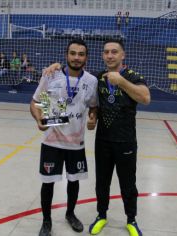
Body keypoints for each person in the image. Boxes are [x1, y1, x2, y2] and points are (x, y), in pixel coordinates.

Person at [44, 39, 150, 236]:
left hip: (126, 140)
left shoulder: (133, 76)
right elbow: (93, 104)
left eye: (114, 52)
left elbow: (145, 98)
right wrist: (93, 117)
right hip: (103, 141)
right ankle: (101, 215)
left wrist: (122, 82)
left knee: (128, 183)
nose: (110, 55)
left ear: (122, 55)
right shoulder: (98, 78)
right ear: (102, 55)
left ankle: (131, 220)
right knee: (102, 182)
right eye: (106, 52)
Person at [30, 39, 98, 236]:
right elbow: (35, 103)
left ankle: (70, 214)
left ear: (86, 57)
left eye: (81, 54)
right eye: (73, 53)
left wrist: (93, 117)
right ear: (66, 55)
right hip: (52, 140)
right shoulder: (51, 76)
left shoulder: (91, 81)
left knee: (74, 181)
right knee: (48, 182)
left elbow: (93, 105)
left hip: (76, 143)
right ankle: (46, 221)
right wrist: (39, 119)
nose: (76, 58)